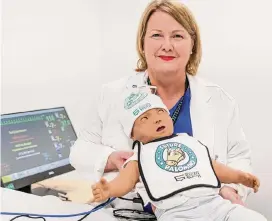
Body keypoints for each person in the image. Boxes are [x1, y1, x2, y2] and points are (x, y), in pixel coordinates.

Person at [69, 0, 266, 218]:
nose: (167, 45)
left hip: (209, 208)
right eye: (156, 35)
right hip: (129, 212)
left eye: (177, 36)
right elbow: (80, 150)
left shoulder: (219, 100)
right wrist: (110, 158)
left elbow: (238, 156)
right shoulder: (112, 94)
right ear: (142, 43)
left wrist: (232, 189)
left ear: (193, 44)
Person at [91, 91, 262, 221]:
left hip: (215, 205)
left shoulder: (190, 143)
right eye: (145, 118)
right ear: (133, 135)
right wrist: (109, 189)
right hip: (176, 213)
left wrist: (240, 177)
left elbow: (213, 167)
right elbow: (125, 182)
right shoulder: (138, 159)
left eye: (160, 112)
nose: (157, 119)